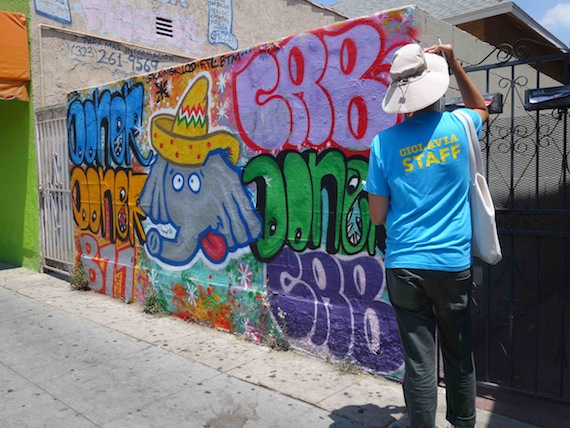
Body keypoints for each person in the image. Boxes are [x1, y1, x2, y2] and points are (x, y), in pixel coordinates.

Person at [364, 43, 489, 428]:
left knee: (419, 364)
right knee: (458, 353)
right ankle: (464, 423)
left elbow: (378, 216)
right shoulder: (462, 126)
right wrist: (454, 61)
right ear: (436, 85)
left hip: (405, 267)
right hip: (452, 265)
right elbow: (481, 106)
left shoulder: (383, 144)